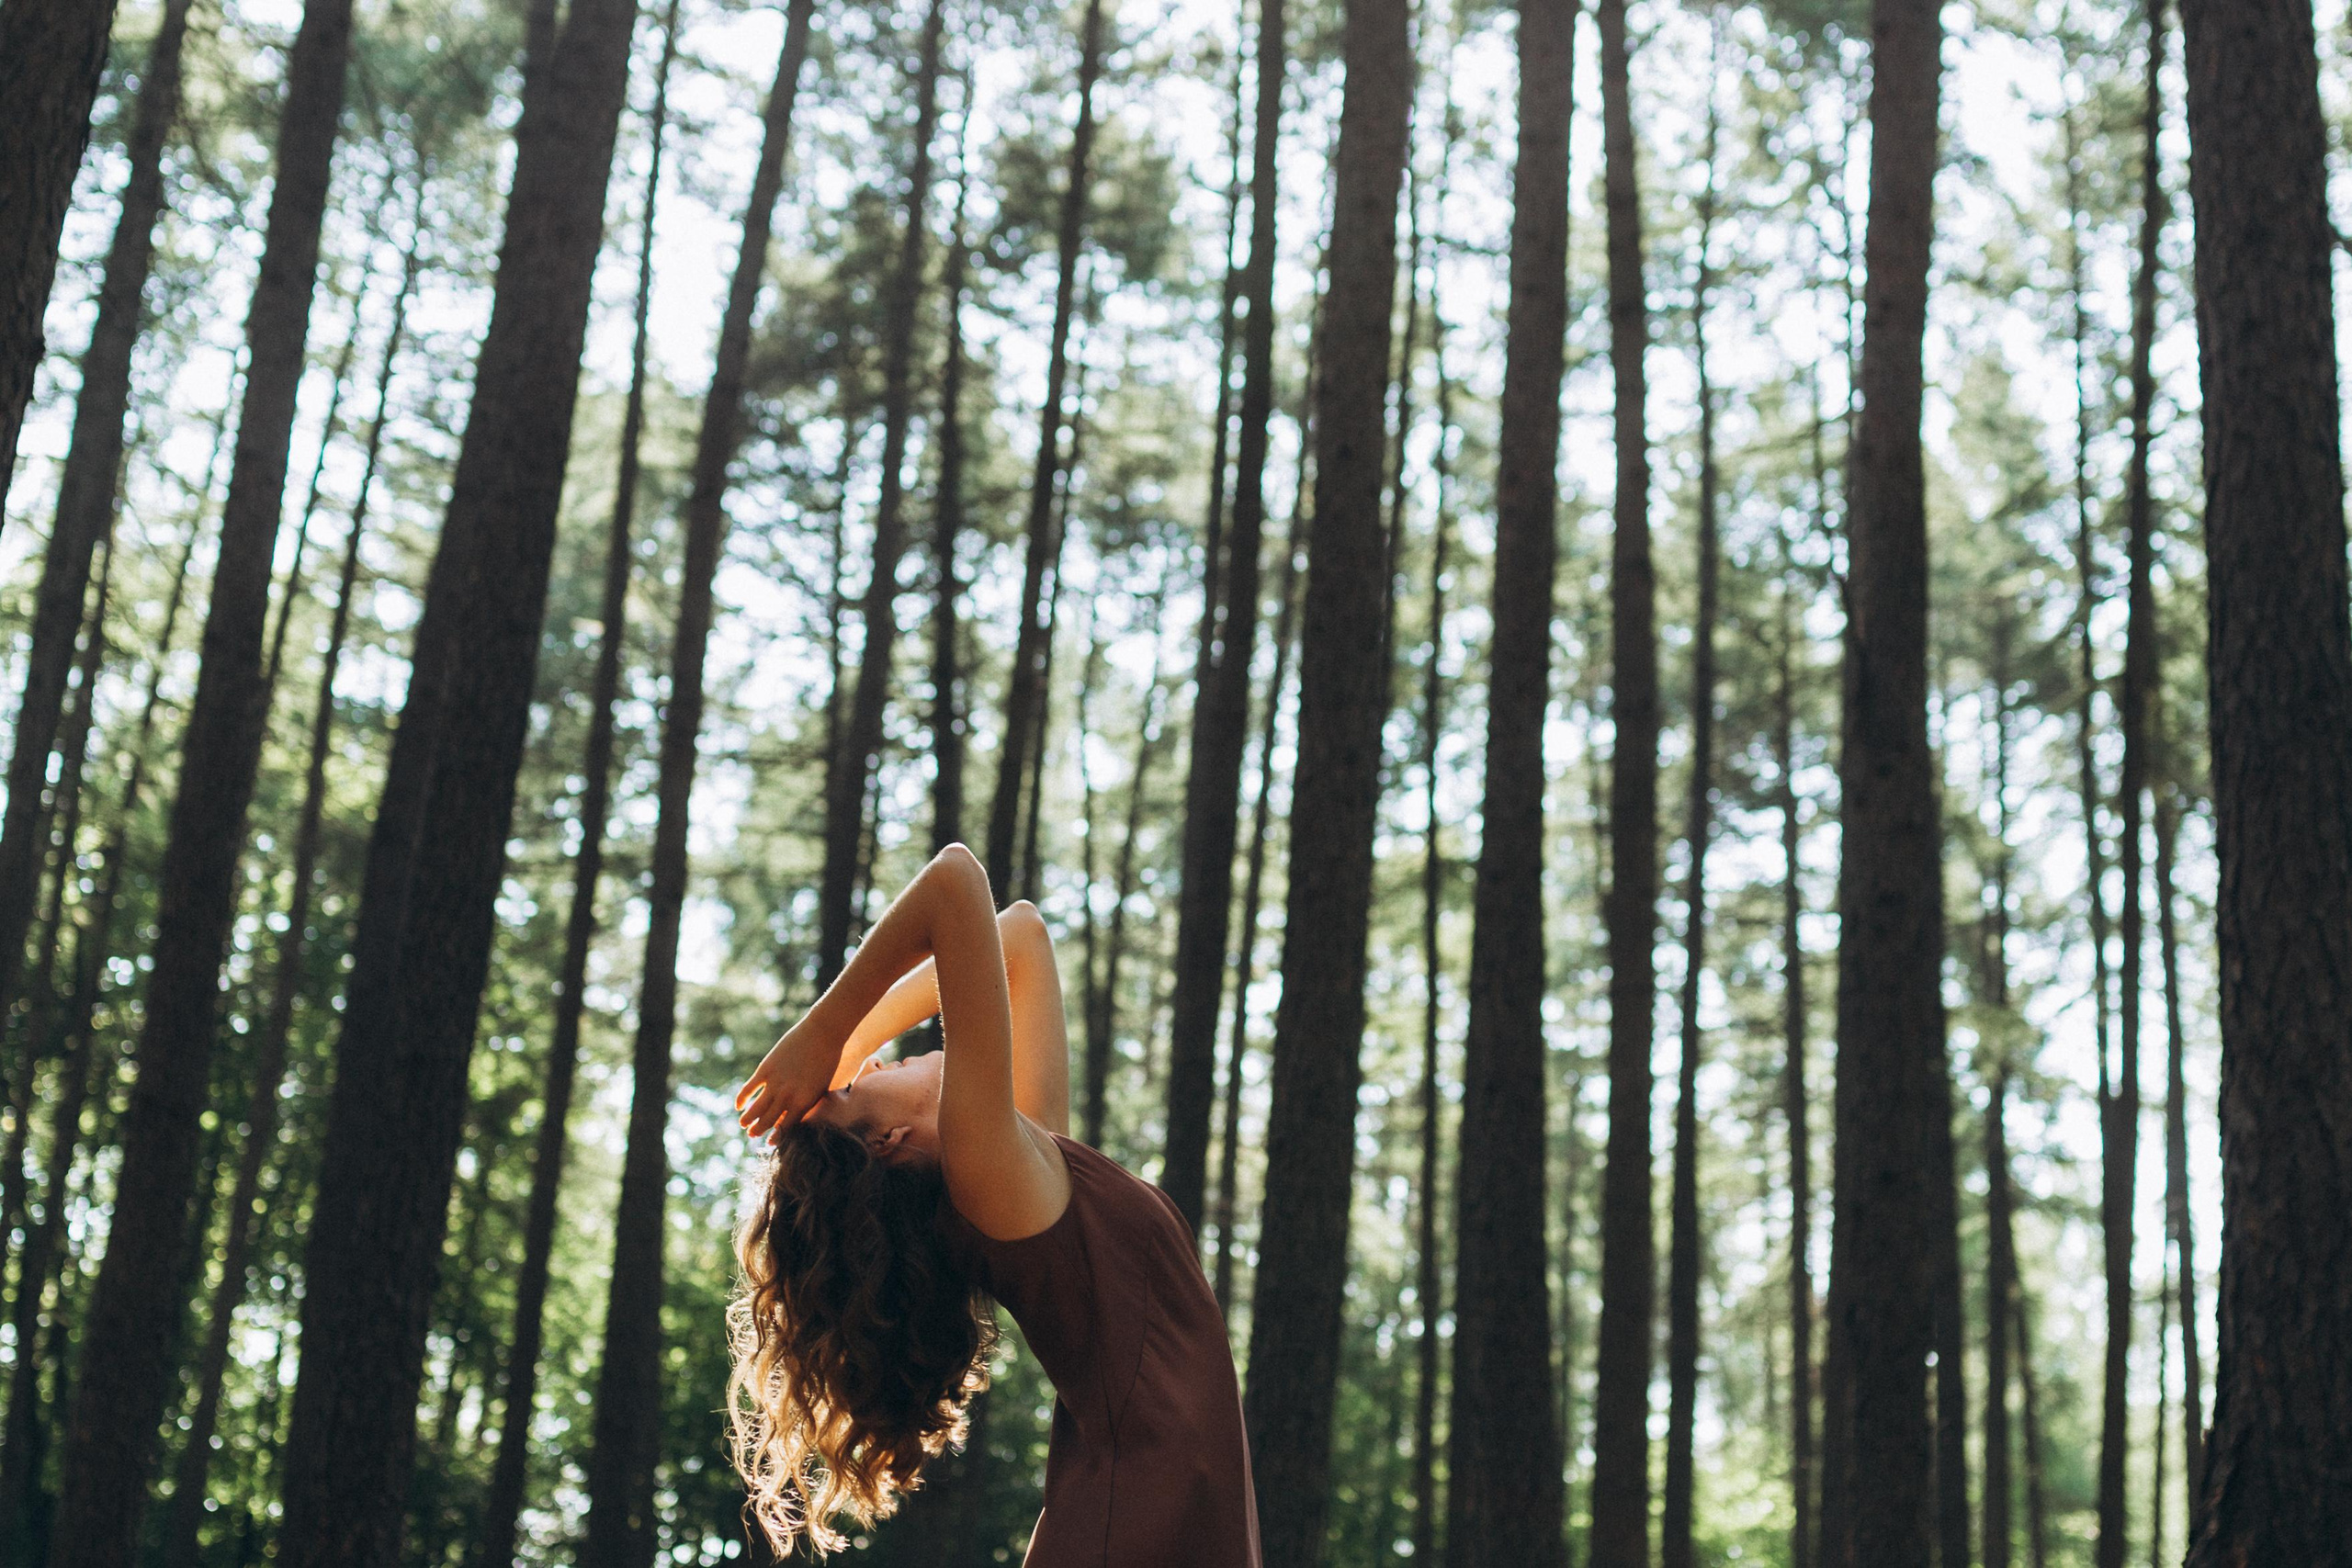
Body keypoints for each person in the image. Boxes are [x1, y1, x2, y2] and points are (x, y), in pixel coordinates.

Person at [730, 842, 1261, 1564]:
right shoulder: (982, 1172)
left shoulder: (1022, 1166)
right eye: (854, 1085)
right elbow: (953, 882)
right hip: (1135, 1528)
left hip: (1157, 1518)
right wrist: (826, 1033)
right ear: (886, 1141)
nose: (872, 1063)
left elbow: (1022, 935)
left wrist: (846, 1042)